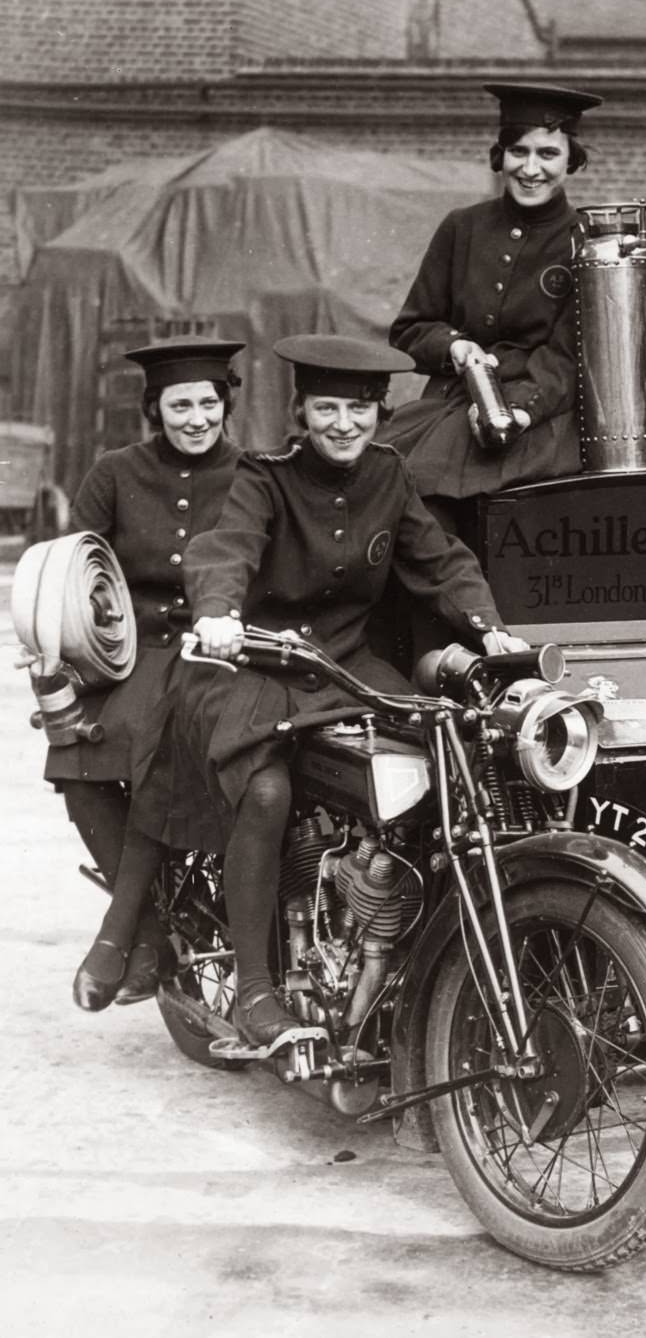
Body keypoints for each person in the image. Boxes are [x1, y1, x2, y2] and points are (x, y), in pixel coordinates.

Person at [118, 335, 527, 1050]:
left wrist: (490, 628)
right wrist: (219, 614)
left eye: (360, 409)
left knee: (448, 756)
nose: (345, 424)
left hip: (344, 662)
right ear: (301, 412)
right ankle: (254, 992)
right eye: (328, 408)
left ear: (379, 413)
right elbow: (228, 548)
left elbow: (440, 561)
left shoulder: (390, 476)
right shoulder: (263, 476)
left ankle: (399, 942)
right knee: (267, 794)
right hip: (256, 664)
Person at [62, 336, 245, 1010]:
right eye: (180, 404)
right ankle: (149, 933)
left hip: (215, 656)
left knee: (156, 750)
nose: (196, 417)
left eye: (208, 402)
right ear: (155, 408)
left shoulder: (254, 472)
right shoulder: (114, 472)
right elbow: (72, 566)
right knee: (74, 765)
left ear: (225, 405)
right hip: (129, 654)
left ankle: (118, 937)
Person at [387, 81, 602, 542]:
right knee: (410, 502)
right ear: (499, 156)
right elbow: (411, 328)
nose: (530, 169)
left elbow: (569, 357)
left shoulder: (587, 241)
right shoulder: (461, 227)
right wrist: (455, 346)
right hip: (449, 404)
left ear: (572, 160)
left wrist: (520, 410)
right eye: (517, 151)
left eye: (547, 154)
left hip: (541, 415)